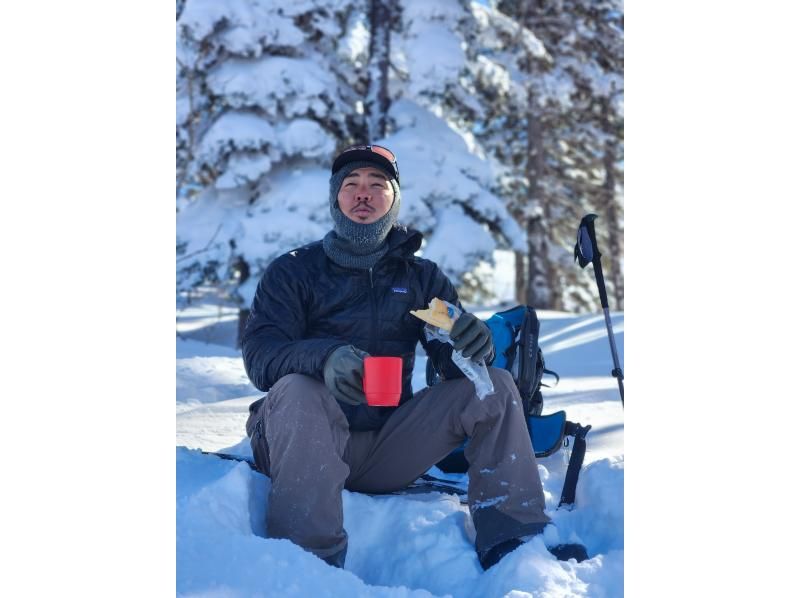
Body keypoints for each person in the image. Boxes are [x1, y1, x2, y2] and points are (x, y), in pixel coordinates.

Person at [242, 144, 576, 571]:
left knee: (492, 387)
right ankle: (308, 564)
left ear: (393, 199)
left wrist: (472, 344)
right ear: (335, 198)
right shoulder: (293, 271)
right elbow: (260, 357)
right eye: (351, 185)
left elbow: (448, 361)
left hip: (384, 447)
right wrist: (324, 358)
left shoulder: (421, 278)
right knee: (298, 389)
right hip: (298, 444)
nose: (363, 194)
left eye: (377, 185)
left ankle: (514, 537)